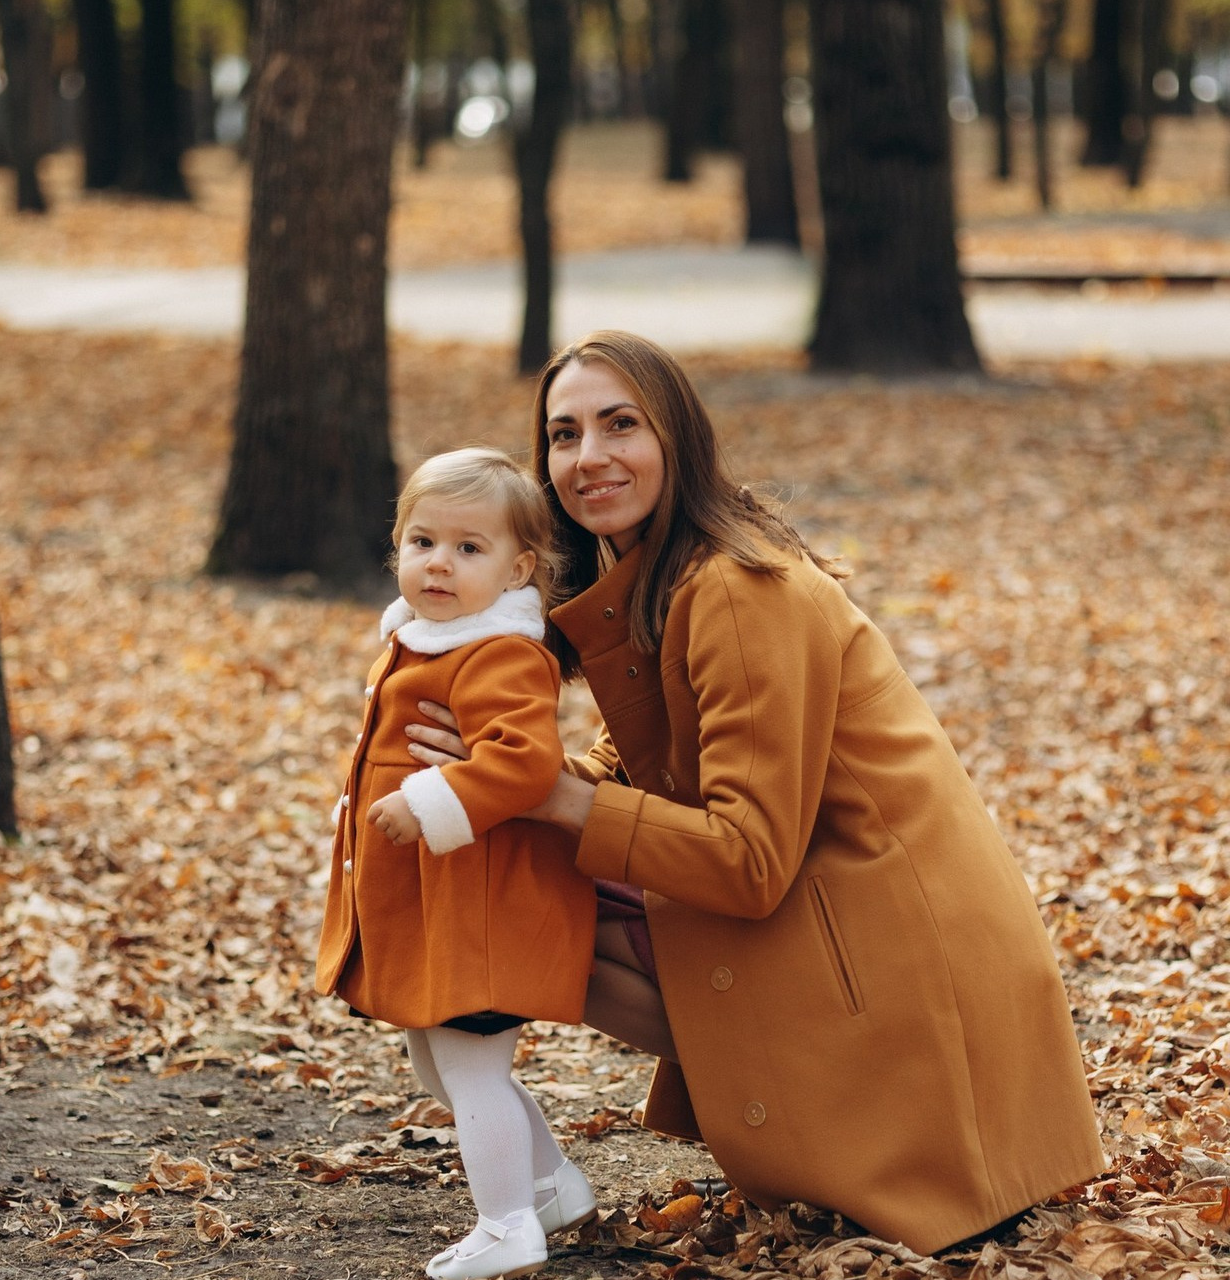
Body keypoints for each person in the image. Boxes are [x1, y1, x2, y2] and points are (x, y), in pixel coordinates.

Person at [404, 332, 1107, 1257]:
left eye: (621, 425)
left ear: (678, 437)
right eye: (564, 435)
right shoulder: (667, 577)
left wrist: (548, 800)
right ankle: (539, 1179)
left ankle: (538, 1183)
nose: (589, 456)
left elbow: (747, 860)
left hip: (897, 981)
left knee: (523, 905)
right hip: (842, 924)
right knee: (514, 878)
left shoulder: (736, 590)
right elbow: (635, 762)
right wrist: (503, 775)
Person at [315, 447, 598, 1280]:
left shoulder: (500, 652)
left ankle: (507, 1226)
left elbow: (525, 762)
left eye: (469, 548)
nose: (439, 563)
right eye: (423, 542)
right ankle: (551, 1186)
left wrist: (432, 800)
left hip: (481, 903)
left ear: (518, 569)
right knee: (440, 1064)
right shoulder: (422, 641)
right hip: (433, 898)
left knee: (473, 1069)